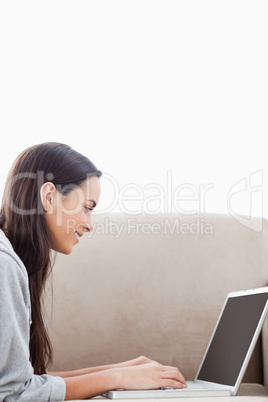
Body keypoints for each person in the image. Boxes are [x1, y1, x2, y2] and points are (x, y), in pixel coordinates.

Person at [0, 142, 186, 401]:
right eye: (87, 207)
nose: (89, 225)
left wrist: (122, 370)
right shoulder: (4, 264)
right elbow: (13, 395)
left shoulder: (13, 261)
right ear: (50, 197)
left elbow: (22, 380)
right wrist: (116, 378)